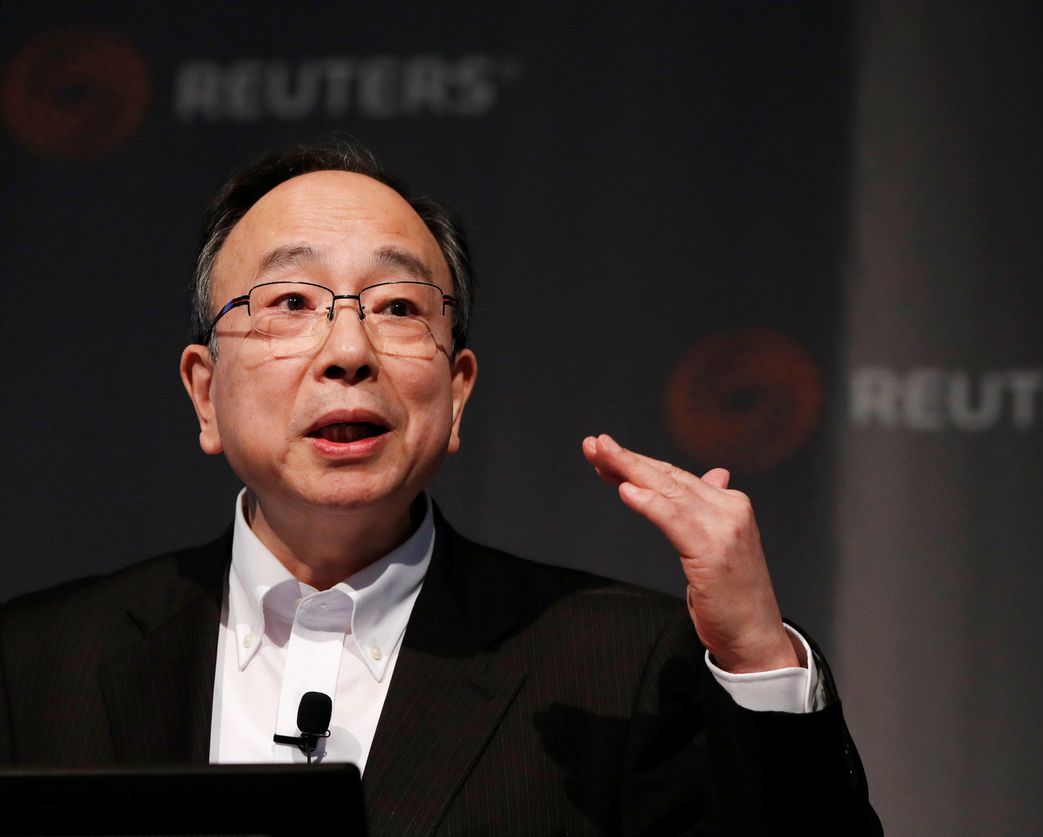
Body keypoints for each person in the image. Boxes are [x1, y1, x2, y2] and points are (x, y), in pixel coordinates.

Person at [0, 142, 881, 835]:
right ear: (205, 392)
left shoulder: (622, 667)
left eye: (396, 305)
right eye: (292, 302)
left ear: (457, 392)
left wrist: (760, 660)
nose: (348, 351)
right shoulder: (34, 667)